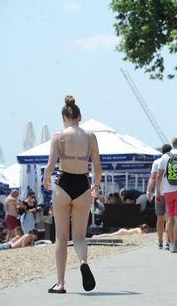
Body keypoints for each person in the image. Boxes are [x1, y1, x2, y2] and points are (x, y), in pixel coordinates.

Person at [43, 95, 102, 293]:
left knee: (61, 236)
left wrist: (45, 179)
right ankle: (83, 261)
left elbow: (51, 165)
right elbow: (98, 167)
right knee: (79, 236)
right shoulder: (90, 136)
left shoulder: (58, 136)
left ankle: (60, 283)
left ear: (63, 117)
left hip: (63, 184)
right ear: (80, 116)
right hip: (83, 184)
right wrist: (96, 185)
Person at [146, 144, 172, 249]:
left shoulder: (157, 162)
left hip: (159, 193)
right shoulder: (173, 162)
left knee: (160, 218)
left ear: (161, 151)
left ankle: (160, 240)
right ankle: (169, 241)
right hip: (171, 192)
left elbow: (153, 177)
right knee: (170, 218)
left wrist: (148, 191)